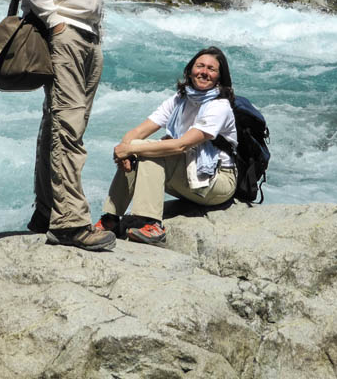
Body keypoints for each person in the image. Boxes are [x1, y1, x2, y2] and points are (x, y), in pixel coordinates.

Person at [15, 0, 116, 251]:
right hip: (63, 34)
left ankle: (46, 211)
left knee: (60, 125)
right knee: (68, 129)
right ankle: (70, 222)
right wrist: (55, 23)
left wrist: (96, 32)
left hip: (89, 35)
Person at [95, 46, 238, 246]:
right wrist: (125, 152)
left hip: (217, 181)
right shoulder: (179, 99)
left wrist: (132, 149)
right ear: (189, 71)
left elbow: (180, 146)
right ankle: (110, 219)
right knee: (138, 148)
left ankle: (152, 225)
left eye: (212, 69)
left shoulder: (219, 106)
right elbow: (137, 133)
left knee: (148, 151)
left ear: (219, 78)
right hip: (189, 172)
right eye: (200, 66)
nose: (204, 72)